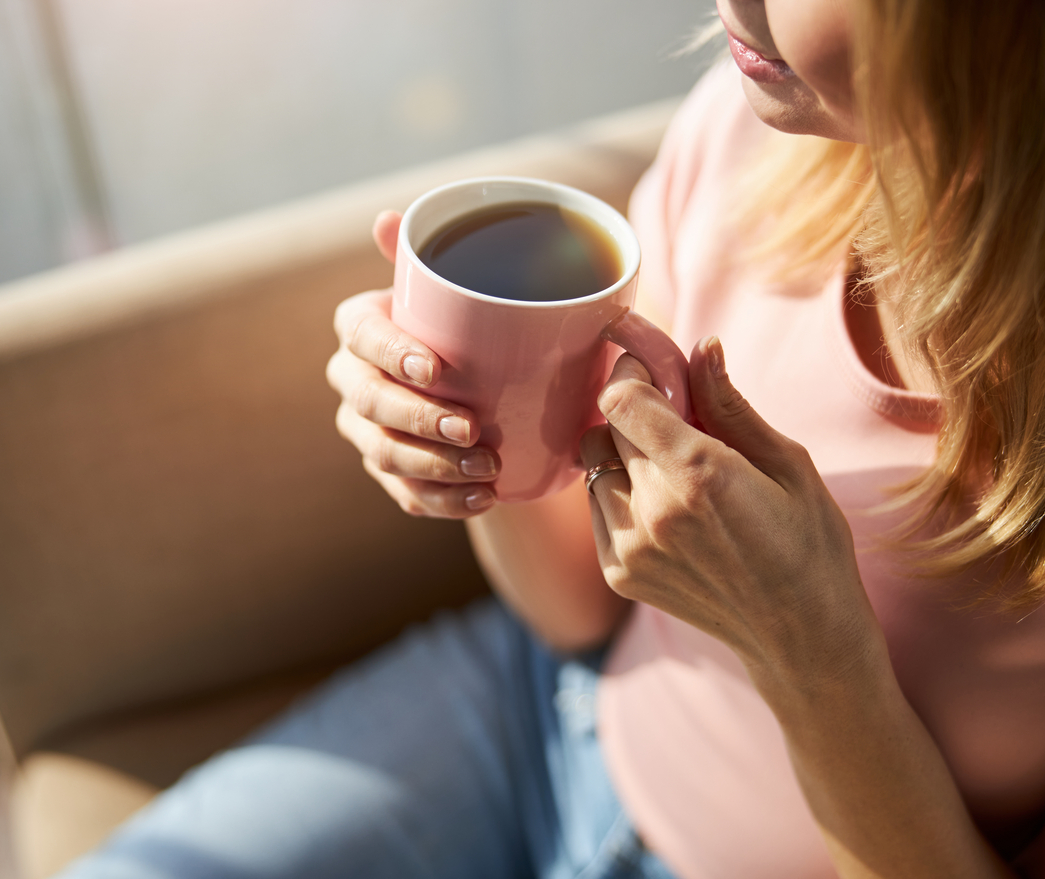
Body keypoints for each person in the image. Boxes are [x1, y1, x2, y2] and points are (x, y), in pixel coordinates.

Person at [58, 1, 1045, 877]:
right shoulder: (756, 132)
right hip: (549, 716)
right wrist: (473, 441)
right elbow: (575, 612)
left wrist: (810, 654)